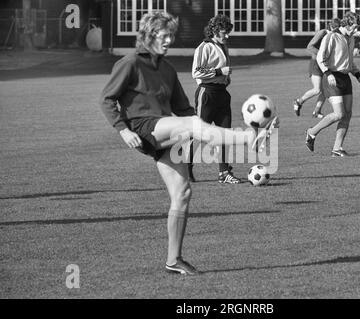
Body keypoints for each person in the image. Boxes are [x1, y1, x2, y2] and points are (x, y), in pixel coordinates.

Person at [99, 12, 277, 275]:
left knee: (183, 194)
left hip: (164, 132)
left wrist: (201, 127)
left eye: (171, 35)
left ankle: (174, 260)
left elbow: (183, 109)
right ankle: (250, 137)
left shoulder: (168, 70)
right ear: (148, 35)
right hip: (141, 127)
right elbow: (106, 99)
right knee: (191, 126)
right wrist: (123, 130)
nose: (169, 40)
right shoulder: (130, 63)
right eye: (164, 35)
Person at [305, 12, 360, 157]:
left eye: (357, 27)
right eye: (354, 27)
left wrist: (359, 77)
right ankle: (311, 132)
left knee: (347, 114)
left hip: (345, 78)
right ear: (346, 23)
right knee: (339, 114)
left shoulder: (350, 38)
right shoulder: (331, 36)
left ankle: (337, 148)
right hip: (332, 78)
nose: (355, 30)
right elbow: (321, 57)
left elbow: (350, 61)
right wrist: (328, 73)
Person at [190, 14, 241, 184]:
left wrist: (225, 79)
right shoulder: (204, 47)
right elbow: (196, 72)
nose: (228, 35)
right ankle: (186, 167)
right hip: (207, 94)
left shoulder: (223, 46)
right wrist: (220, 72)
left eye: (228, 32)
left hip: (222, 94)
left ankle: (224, 172)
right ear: (215, 30)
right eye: (225, 32)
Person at [293, 18, 341, 119]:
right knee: (317, 89)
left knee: (325, 90)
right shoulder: (322, 33)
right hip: (315, 63)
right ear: (331, 26)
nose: (337, 31)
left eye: (338, 29)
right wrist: (321, 54)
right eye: (335, 29)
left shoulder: (335, 36)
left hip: (325, 64)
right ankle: (298, 102)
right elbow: (309, 46)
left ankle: (316, 111)